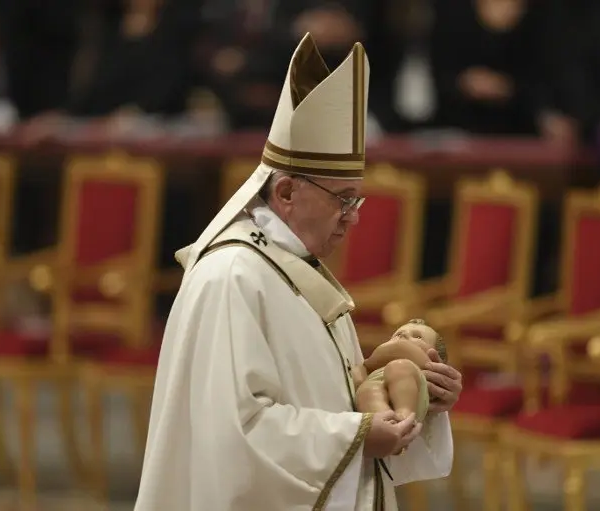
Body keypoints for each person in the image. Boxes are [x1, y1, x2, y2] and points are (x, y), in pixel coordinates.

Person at [133, 33, 461, 511]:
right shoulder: (231, 277)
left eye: (357, 199)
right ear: (285, 192)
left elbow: (324, 392)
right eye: (342, 199)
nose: (353, 216)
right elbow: (235, 435)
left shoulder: (294, 265)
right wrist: (359, 434)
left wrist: (405, 390)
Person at [353, 319, 446, 423]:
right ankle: (384, 420)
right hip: (380, 383)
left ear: (434, 357)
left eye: (418, 337)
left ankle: (404, 415)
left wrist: (369, 362)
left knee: (399, 368)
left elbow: (399, 347)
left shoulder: (422, 363)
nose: (403, 335)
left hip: (413, 392)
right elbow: (359, 374)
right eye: (397, 334)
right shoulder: (377, 362)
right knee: (368, 390)